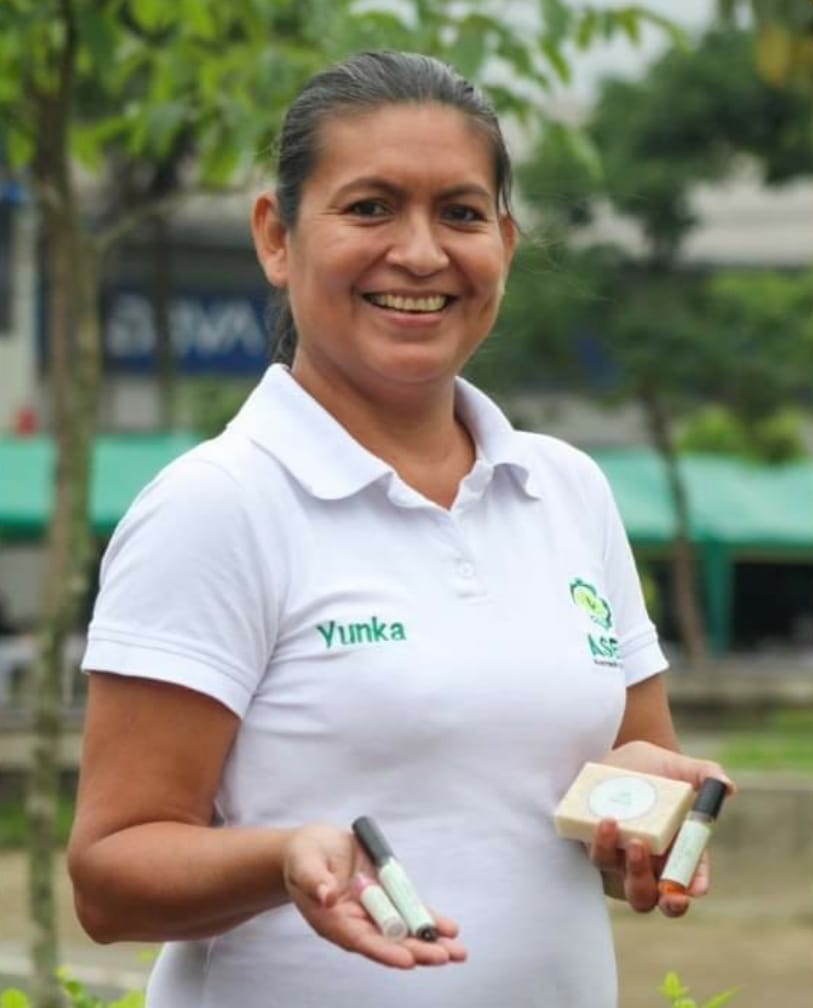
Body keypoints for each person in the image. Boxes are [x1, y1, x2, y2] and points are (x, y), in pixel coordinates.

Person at [68, 50, 732, 1008]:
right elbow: (109, 877)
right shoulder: (218, 505)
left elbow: (619, 792)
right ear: (277, 237)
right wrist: (283, 859)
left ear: (504, 242)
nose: (421, 254)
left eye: (460, 214)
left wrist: (643, 811)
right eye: (370, 207)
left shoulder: (567, 490)